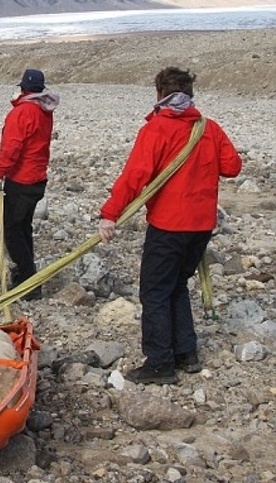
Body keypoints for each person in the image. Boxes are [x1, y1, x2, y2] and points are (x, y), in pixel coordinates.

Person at [97, 67, 242, 385]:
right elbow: (232, 167)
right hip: (201, 226)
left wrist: (110, 214)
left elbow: (135, 177)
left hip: (169, 225)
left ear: (160, 94)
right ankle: (186, 353)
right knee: (176, 285)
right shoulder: (208, 128)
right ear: (189, 95)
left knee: (155, 290)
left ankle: (160, 362)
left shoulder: (156, 129)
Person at [0, 69, 60, 300]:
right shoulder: (43, 110)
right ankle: (26, 275)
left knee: (13, 231)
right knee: (23, 227)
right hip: (37, 178)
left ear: (23, 88)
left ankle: (28, 281)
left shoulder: (22, 113)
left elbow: (12, 147)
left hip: (21, 179)